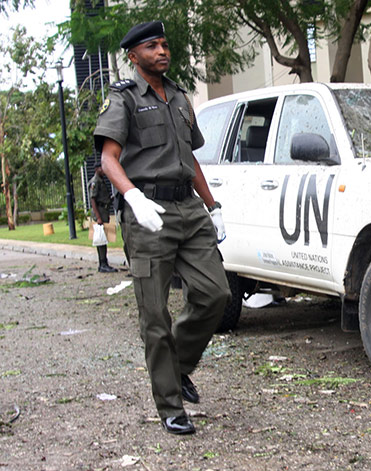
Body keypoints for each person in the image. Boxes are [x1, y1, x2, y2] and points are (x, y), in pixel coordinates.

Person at [93, 21, 231, 435]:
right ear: (134, 56)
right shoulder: (124, 99)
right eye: (152, 46)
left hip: (188, 207)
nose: (162, 51)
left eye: (165, 45)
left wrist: (213, 206)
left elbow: (191, 158)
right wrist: (133, 197)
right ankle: (171, 405)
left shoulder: (180, 98)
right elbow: (108, 159)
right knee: (154, 313)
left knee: (215, 294)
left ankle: (179, 365)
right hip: (148, 211)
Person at [88, 161, 118, 273]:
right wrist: (98, 217)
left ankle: (104, 262)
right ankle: (102, 263)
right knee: (100, 239)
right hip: (99, 212)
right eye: (102, 168)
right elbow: (93, 200)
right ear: (97, 169)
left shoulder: (101, 181)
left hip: (104, 210)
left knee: (104, 238)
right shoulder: (95, 182)